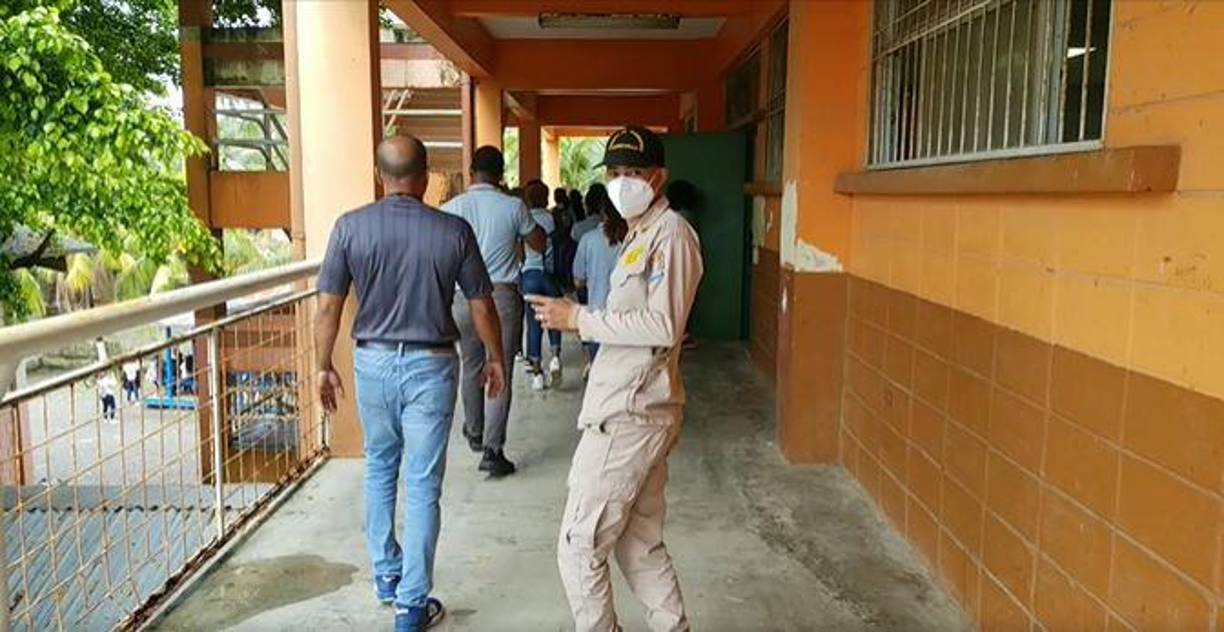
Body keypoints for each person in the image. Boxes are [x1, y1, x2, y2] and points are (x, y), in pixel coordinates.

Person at [314, 136, 506, 632]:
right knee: (422, 483)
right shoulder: (453, 231)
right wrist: (496, 358)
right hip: (431, 365)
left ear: (381, 176)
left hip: (372, 362)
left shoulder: (349, 227)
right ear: (426, 178)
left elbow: (329, 307)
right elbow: (482, 304)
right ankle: (411, 604)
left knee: (380, 465)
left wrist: (321, 366)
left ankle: (386, 574)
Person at [527, 126, 703, 632]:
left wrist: (578, 318)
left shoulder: (671, 235)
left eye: (635, 173)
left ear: (659, 177)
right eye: (616, 173)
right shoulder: (640, 234)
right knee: (638, 543)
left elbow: (663, 326)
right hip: (629, 406)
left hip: (630, 415)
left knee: (579, 547)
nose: (624, 183)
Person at [442, 145, 546, 477]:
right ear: (501, 175)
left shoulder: (451, 208)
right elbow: (538, 243)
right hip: (500, 296)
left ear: (471, 171)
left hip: (461, 298)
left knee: (470, 364)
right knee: (499, 367)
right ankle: (492, 449)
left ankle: (474, 432)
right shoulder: (513, 206)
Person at [572, 196, 627, 379]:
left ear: (603, 212)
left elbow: (579, 279)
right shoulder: (632, 239)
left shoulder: (589, 239)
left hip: (597, 315)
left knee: (599, 377)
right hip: (627, 318)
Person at [519, 179, 563, 390]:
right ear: (546, 197)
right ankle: (555, 357)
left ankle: (537, 373)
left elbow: (518, 250)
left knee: (533, 323)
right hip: (550, 275)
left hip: (529, 275)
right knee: (554, 318)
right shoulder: (552, 218)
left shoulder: (524, 219)